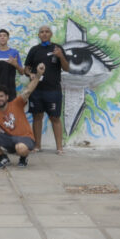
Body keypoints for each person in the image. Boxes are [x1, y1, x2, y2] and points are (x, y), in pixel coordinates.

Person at [0, 63, 45, 168]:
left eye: (1, 96)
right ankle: (2, 157)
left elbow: (28, 90)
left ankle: (23, 158)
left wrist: (39, 75)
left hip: (26, 138)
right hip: (11, 140)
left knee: (20, 148)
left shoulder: (17, 103)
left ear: (7, 97)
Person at [23, 25, 72, 154]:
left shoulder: (57, 48)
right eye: (42, 32)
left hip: (53, 90)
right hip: (36, 90)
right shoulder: (34, 50)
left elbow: (67, 68)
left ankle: (59, 148)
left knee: (55, 118)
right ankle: (37, 146)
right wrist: (30, 74)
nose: (44, 34)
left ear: (51, 34)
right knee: (37, 117)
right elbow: (26, 69)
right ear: (38, 35)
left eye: (47, 31)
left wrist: (60, 56)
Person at [0, 29, 23, 102]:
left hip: (10, 87)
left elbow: (22, 72)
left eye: (4, 36)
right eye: (0, 36)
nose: (2, 37)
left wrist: (16, 64)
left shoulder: (14, 52)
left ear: (8, 38)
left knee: (11, 108)